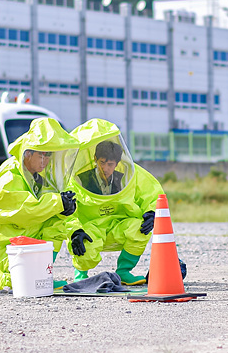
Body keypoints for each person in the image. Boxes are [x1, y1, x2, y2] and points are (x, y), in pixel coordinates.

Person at [0, 117, 86, 291]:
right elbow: (22, 210)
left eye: (48, 155)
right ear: (27, 153)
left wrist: (75, 228)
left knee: (56, 223)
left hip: (23, 236)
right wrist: (57, 203)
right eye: (41, 154)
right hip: (2, 240)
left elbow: (52, 211)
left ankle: (40, 273)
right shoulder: (9, 176)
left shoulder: (39, 179)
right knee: (18, 283)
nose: (46, 160)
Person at [68, 119, 163, 285]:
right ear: (95, 159)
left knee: (139, 227)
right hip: (92, 227)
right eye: (102, 162)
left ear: (118, 163)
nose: (105, 168)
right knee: (83, 240)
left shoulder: (129, 175)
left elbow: (151, 193)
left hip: (118, 225)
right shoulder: (79, 179)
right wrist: (75, 230)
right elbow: (67, 210)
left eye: (110, 164)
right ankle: (81, 275)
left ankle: (124, 272)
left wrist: (152, 212)